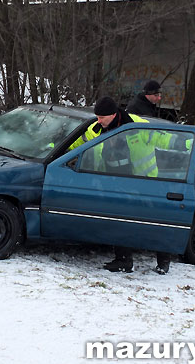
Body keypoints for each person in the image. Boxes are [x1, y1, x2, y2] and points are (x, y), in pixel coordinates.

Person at [69, 95, 180, 273]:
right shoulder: (96, 128)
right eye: (97, 117)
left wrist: (190, 143)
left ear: (113, 115)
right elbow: (76, 143)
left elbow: (165, 139)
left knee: (153, 223)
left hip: (144, 182)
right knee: (119, 221)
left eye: (102, 117)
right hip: (115, 182)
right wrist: (53, 149)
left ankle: (163, 260)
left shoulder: (137, 126)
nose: (98, 121)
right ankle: (123, 260)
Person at [126, 80, 172, 275]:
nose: (159, 98)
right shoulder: (142, 117)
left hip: (140, 178)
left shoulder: (139, 111)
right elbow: (163, 139)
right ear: (148, 94)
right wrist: (187, 142)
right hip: (145, 179)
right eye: (157, 95)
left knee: (135, 220)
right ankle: (162, 260)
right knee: (153, 221)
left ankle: (127, 260)